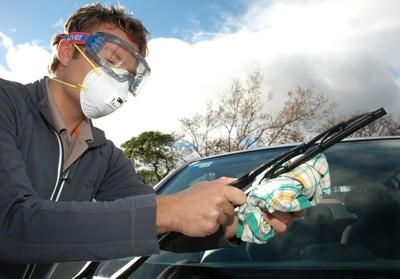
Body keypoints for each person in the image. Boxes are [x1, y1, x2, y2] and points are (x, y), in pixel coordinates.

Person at [0, 4, 301, 278]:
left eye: (129, 76)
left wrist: (241, 221)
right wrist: (171, 210)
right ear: (67, 52)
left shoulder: (103, 154)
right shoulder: (7, 104)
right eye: (112, 59)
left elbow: (157, 223)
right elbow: (11, 225)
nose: (119, 79)